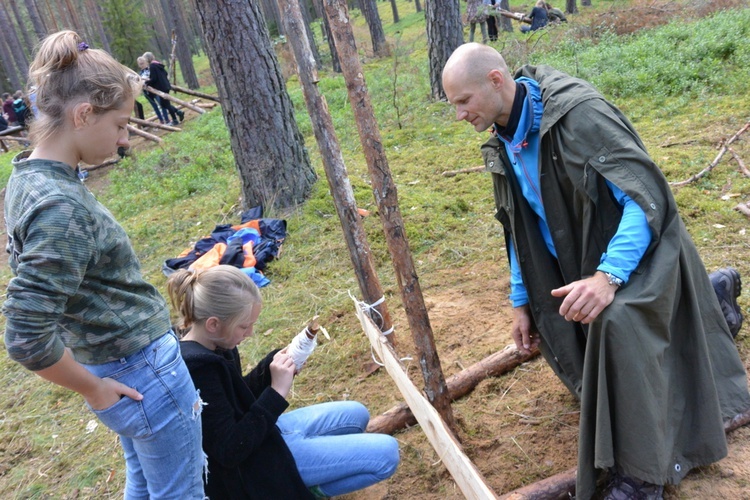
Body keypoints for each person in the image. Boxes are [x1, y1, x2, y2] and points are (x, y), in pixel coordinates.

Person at [441, 43, 750, 500]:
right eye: (454, 106)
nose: (461, 115)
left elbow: (643, 199)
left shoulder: (579, 115)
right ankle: (712, 299)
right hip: (580, 259)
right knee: (573, 339)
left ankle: (643, 475)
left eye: (464, 102)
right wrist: (522, 300)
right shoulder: (504, 139)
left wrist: (608, 278)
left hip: (641, 250)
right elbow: (518, 229)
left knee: (617, 322)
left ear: (496, 80)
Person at [2, 31, 205, 499]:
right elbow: (26, 337)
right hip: (141, 372)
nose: (124, 137)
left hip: (118, 367)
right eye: (119, 124)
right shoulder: (59, 207)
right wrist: (93, 389)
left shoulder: (30, 176)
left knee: (146, 483)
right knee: (182, 492)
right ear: (82, 114)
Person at [167, 265, 400, 499]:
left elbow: (236, 398)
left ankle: (310, 473)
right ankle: (304, 490)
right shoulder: (197, 369)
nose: (249, 333)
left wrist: (271, 368)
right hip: (254, 468)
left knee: (356, 414)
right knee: (387, 455)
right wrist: (277, 391)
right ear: (213, 324)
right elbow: (230, 450)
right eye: (244, 326)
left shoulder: (215, 342)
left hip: (264, 436)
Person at [143, 51, 184, 126]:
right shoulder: (158, 64)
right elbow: (165, 73)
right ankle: (178, 112)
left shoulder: (152, 66)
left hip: (161, 87)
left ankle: (175, 120)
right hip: (166, 86)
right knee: (164, 104)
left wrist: (147, 83)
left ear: (147, 59)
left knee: (166, 104)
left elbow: (154, 78)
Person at [137, 56, 167, 124]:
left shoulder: (151, 69)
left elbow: (154, 78)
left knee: (162, 104)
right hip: (147, 92)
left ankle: (166, 119)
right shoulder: (140, 74)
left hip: (155, 89)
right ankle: (161, 120)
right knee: (155, 107)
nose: (142, 65)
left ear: (146, 62)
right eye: (140, 64)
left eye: (143, 63)